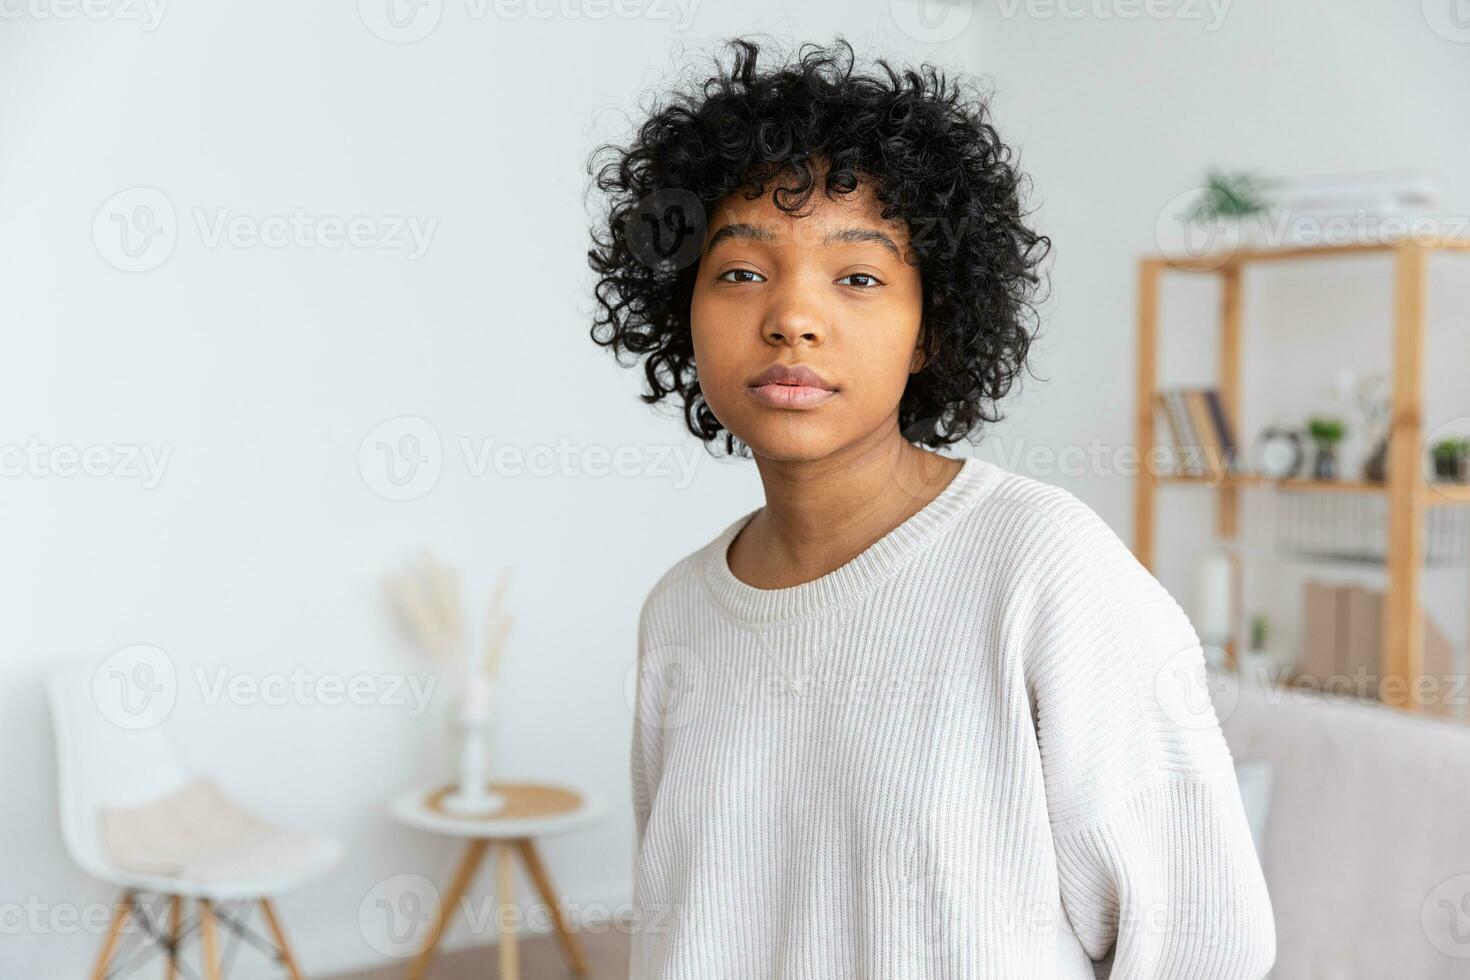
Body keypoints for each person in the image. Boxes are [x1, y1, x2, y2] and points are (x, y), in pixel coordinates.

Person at [586, 36, 1274, 980]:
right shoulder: (678, 610)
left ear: (931, 329)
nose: (792, 315)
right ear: (682, 308)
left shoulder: (1041, 567)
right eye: (741, 271)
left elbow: (1206, 941)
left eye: (859, 277)